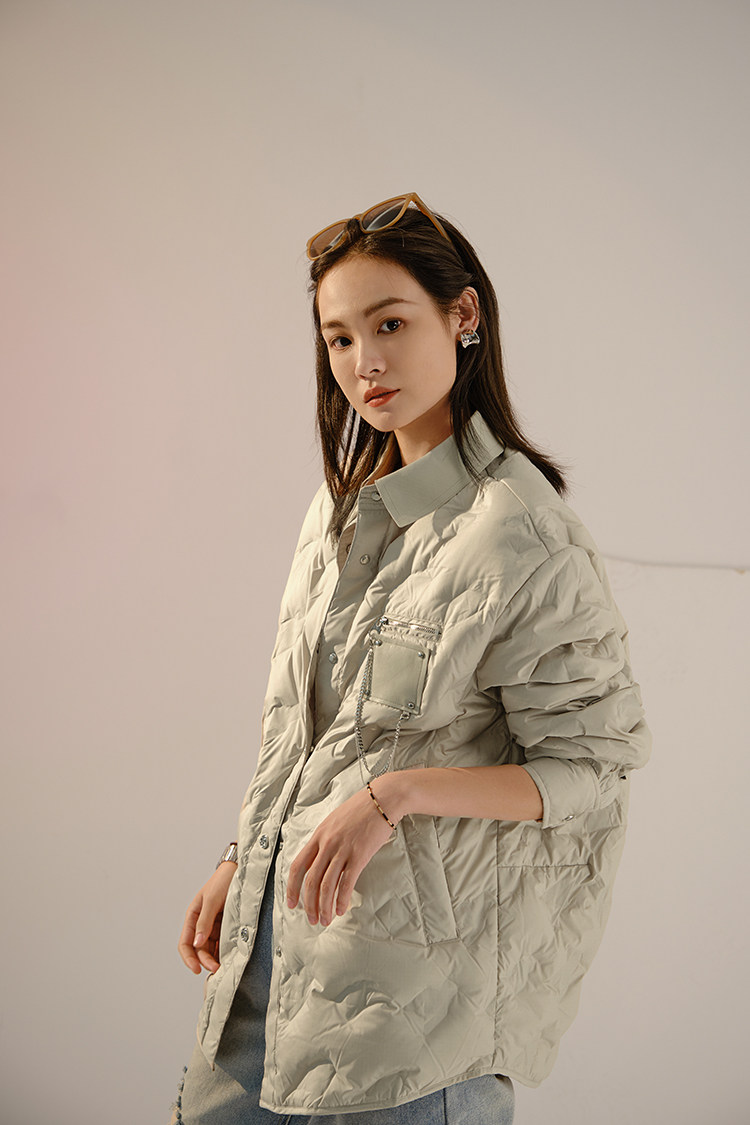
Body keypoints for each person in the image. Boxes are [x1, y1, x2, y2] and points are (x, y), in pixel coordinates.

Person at [171, 193, 651, 1124]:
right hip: (268, 977)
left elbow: (593, 767)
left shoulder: (522, 533)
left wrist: (398, 793)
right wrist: (245, 860)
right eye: (340, 338)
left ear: (462, 315)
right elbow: (303, 735)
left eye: (390, 324)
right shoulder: (338, 509)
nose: (365, 361)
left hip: (416, 1032)